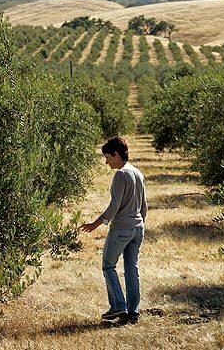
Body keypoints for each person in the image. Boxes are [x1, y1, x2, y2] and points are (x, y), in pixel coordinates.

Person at [80, 136, 148, 324]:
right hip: (137, 228)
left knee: (108, 266)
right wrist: (139, 225)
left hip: (121, 229)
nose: (106, 162)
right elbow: (144, 206)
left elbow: (114, 205)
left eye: (107, 157)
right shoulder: (138, 173)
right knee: (131, 269)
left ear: (116, 155)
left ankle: (119, 307)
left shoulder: (120, 175)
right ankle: (133, 312)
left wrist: (96, 223)